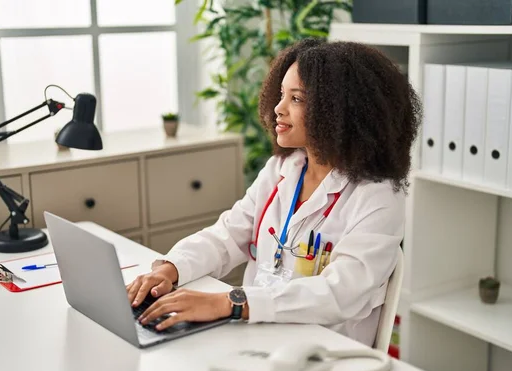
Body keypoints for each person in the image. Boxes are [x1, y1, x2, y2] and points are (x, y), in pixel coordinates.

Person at [126, 38, 422, 346]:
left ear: (341, 112)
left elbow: (339, 292)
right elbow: (225, 236)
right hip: (258, 337)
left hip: (321, 355)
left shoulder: (377, 195)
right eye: (281, 94)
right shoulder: (283, 170)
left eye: (297, 99)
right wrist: (170, 269)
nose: (278, 109)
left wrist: (231, 302)